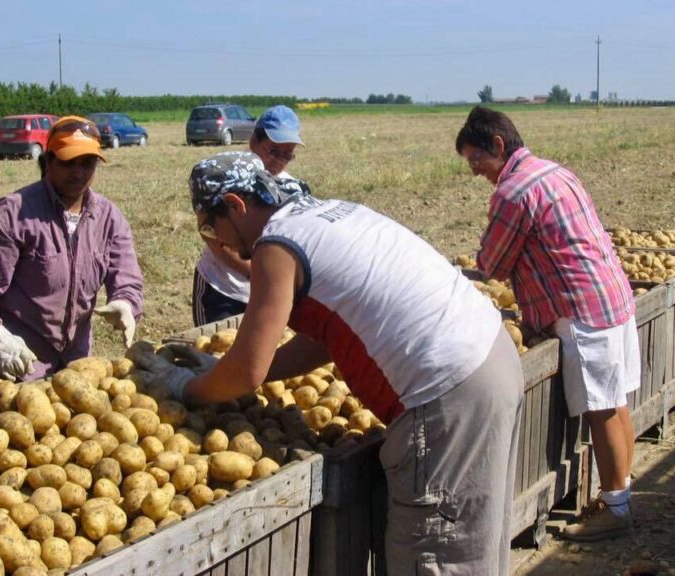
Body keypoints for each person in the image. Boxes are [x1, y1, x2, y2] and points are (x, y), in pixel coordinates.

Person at [139, 151, 524, 575]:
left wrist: (183, 387)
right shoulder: (325, 213)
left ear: (236, 204)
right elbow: (320, 342)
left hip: (446, 394)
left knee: (436, 553)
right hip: (490, 359)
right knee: (471, 542)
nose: (219, 243)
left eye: (211, 227)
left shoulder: (276, 245)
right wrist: (219, 368)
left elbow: (247, 371)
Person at [455, 106, 639, 542]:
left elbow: (494, 263)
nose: (475, 172)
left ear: (498, 145)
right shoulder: (554, 171)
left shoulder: (513, 191)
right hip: (611, 295)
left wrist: (471, 272)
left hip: (581, 307)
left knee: (602, 411)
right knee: (616, 404)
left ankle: (616, 511)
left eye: (475, 161)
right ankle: (620, 498)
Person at [0, 115, 144, 381]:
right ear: (48, 162)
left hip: (75, 363)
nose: (78, 173)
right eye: (68, 162)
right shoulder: (13, 214)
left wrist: (125, 303)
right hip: (17, 360)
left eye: (87, 163)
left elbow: (127, 276)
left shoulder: (109, 218)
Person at [191, 105, 304, 326]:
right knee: (214, 350)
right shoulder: (226, 176)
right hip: (224, 289)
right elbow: (209, 232)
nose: (279, 160)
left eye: (287, 155)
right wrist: (256, 274)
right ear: (254, 141)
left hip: (269, 291)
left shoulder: (292, 190)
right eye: (273, 151)